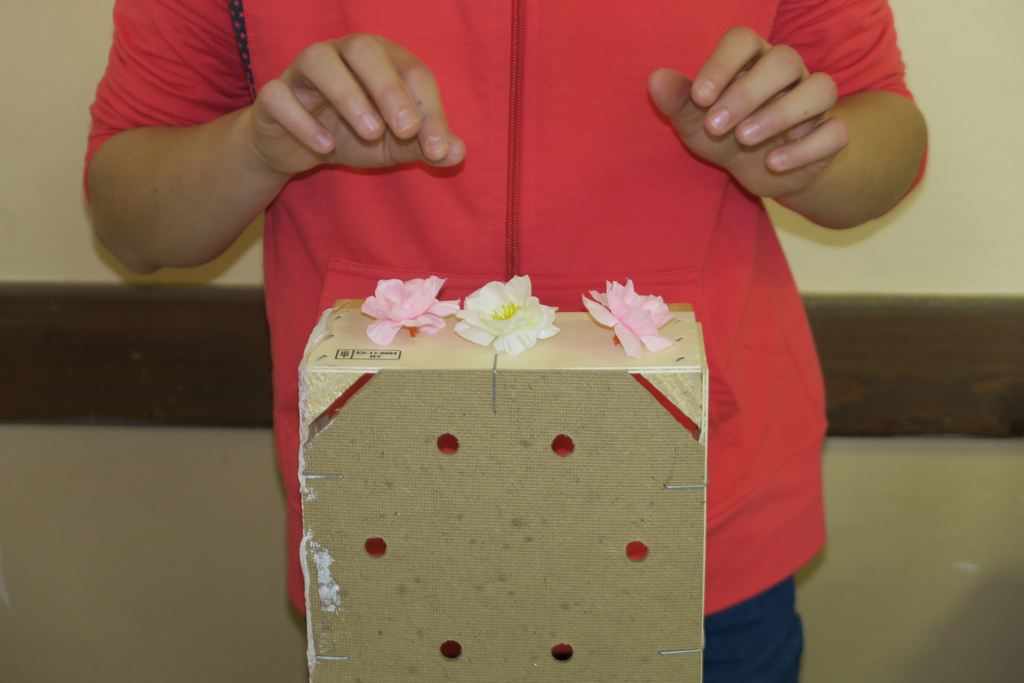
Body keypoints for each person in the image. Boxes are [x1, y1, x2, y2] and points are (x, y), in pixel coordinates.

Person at [85, 1, 927, 680]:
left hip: (709, 520)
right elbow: (132, 219)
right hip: (390, 518)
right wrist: (259, 148)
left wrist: (803, 153)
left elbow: (886, 126)